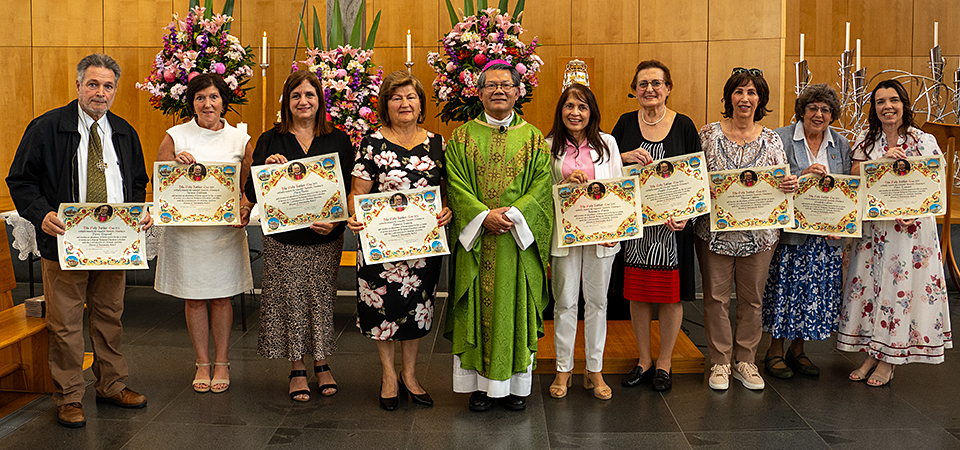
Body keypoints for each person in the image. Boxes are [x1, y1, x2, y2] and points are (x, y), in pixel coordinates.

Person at [6, 53, 151, 428]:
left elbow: (137, 181)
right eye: (93, 84)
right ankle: (69, 396)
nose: (100, 93)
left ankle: (112, 385)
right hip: (66, 244)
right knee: (66, 323)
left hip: (114, 244)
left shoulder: (123, 131)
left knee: (110, 317)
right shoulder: (47, 127)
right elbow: (21, 180)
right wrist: (41, 214)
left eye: (107, 86)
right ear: (78, 86)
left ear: (115, 90)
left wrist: (137, 213)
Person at [444, 60, 552, 412]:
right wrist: (482, 216)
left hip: (514, 243)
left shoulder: (535, 138)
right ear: (479, 92)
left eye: (506, 85)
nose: (499, 91)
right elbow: (455, 184)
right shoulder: (461, 137)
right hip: (477, 242)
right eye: (491, 85)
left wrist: (514, 215)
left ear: (519, 92)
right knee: (476, 306)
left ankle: (516, 385)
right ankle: (478, 386)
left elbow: (541, 187)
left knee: (514, 307)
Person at [244, 71, 354, 402]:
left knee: (321, 300)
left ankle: (322, 363)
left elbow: (349, 190)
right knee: (291, 301)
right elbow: (251, 189)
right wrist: (267, 167)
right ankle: (297, 367)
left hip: (325, 238)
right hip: (285, 239)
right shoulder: (271, 139)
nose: (303, 101)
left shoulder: (338, 139)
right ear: (286, 102)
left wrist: (337, 224)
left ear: (320, 101)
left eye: (309, 95)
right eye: (295, 96)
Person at [347, 71, 452, 411]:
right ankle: (388, 375)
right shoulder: (372, 143)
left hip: (423, 247)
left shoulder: (438, 144)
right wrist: (355, 215)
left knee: (417, 310)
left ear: (421, 104)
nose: (404, 103)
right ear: (386, 106)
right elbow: (357, 193)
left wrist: (447, 211)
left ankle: (410, 374)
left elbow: (447, 192)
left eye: (410, 97)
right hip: (382, 246)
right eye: (396, 98)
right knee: (383, 309)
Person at [838, 79, 952, 386]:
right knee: (875, 289)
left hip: (910, 232)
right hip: (876, 229)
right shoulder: (866, 139)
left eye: (893, 100)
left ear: (904, 104)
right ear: (874, 108)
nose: (887, 106)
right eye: (880, 102)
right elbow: (854, 177)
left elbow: (934, 182)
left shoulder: (923, 140)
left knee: (900, 291)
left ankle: (890, 360)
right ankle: (872, 353)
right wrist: (881, 163)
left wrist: (908, 178)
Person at [696, 67, 797, 391]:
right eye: (739, 92)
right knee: (715, 299)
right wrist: (701, 187)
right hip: (715, 233)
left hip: (761, 236)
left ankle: (746, 361)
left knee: (753, 301)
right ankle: (721, 362)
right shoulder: (707, 134)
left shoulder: (772, 140)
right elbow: (693, 178)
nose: (745, 98)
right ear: (729, 97)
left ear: (760, 99)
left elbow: (783, 182)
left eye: (751, 92)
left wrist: (789, 183)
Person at [154, 73, 254, 394]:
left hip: (224, 232)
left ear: (224, 101)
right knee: (194, 298)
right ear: (192, 103)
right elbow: (161, 182)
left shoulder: (239, 140)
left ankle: (222, 361)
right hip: (187, 233)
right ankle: (202, 362)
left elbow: (247, 185)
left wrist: (243, 205)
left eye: (213, 97)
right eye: (200, 98)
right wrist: (174, 165)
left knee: (222, 297)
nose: (207, 103)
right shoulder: (175, 136)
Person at [612, 60, 700, 392]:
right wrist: (623, 157)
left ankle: (665, 362)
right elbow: (607, 166)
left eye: (657, 83)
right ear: (634, 89)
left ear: (668, 88)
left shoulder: (684, 126)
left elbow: (696, 177)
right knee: (638, 295)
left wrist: (688, 215)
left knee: (669, 296)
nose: (650, 89)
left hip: (671, 228)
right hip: (636, 227)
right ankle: (644, 360)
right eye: (643, 83)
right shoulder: (623, 123)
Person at [762, 83, 851, 380]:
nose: (818, 114)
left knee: (812, 294)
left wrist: (843, 225)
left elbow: (847, 191)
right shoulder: (780, 138)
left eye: (825, 109)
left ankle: (797, 350)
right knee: (785, 292)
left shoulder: (840, 145)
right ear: (801, 111)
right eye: (812, 108)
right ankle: (774, 350)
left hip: (825, 238)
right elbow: (770, 183)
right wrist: (802, 175)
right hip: (790, 234)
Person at [545, 84, 622, 400]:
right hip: (564, 236)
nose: (575, 113)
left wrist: (614, 230)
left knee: (598, 302)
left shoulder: (608, 144)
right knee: (564, 301)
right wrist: (563, 184)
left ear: (591, 113)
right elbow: (541, 194)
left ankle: (594, 369)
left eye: (582, 107)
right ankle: (564, 369)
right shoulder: (548, 146)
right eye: (569, 106)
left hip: (600, 238)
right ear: (560, 111)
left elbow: (619, 190)